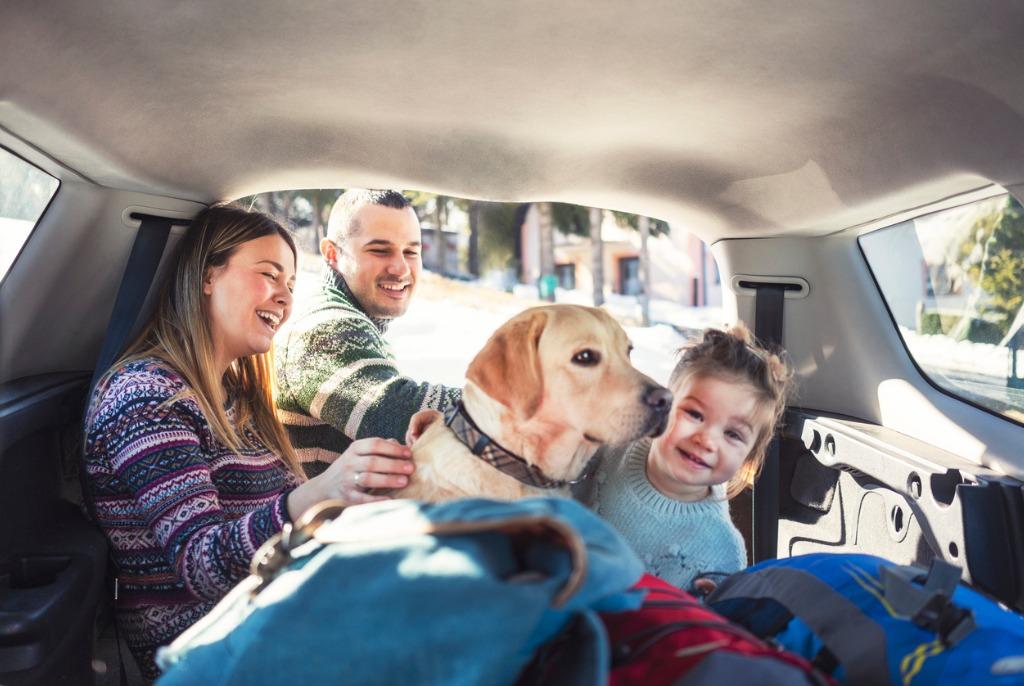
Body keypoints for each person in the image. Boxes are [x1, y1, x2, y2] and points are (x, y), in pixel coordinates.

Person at [82, 204, 412, 679]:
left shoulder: (234, 396)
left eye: (292, 285)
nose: (284, 296)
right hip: (213, 650)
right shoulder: (145, 397)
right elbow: (201, 565)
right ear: (207, 276)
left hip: (275, 618)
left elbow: (275, 526)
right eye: (269, 275)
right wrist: (318, 493)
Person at [574, 324, 793, 593]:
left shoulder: (720, 550)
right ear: (665, 403)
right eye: (695, 414)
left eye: (733, 434)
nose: (707, 440)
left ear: (748, 457)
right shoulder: (618, 442)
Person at [275, 189, 460, 479]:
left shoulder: (352, 318)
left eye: (411, 251)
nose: (401, 268)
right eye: (380, 250)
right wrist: (508, 403)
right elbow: (395, 413)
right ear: (332, 254)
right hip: (324, 521)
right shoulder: (325, 326)